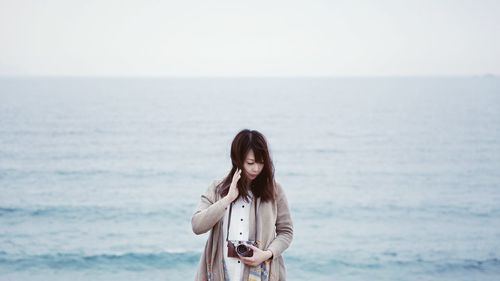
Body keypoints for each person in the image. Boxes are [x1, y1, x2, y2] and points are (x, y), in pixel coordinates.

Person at [192, 129, 293, 281]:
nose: (256, 168)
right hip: (221, 273)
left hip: (261, 273)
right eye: (250, 163)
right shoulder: (217, 188)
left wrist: (267, 254)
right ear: (237, 159)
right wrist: (227, 200)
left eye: (261, 162)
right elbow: (197, 226)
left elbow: (286, 232)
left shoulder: (275, 191)